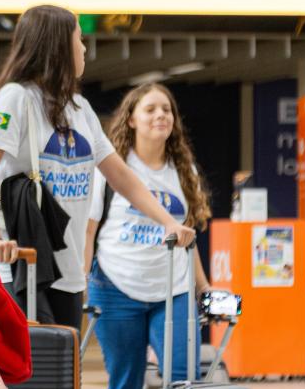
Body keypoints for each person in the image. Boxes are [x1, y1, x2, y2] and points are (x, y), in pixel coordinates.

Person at [0, 5, 194, 331]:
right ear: (57, 46)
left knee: (65, 371)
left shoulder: (80, 108)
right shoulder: (15, 99)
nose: (85, 48)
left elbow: (121, 175)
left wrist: (168, 222)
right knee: (35, 372)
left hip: (67, 268)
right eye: (79, 39)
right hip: (21, 264)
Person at [84, 83, 211, 388]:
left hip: (173, 288)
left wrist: (204, 287)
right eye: (150, 109)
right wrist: (81, 284)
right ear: (131, 119)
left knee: (185, 378)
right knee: (125, 379)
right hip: (115, 286)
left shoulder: (184, 171)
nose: (160, 116)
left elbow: (187, 237)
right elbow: (87, 232)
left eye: (166, 110)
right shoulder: (109, 168)